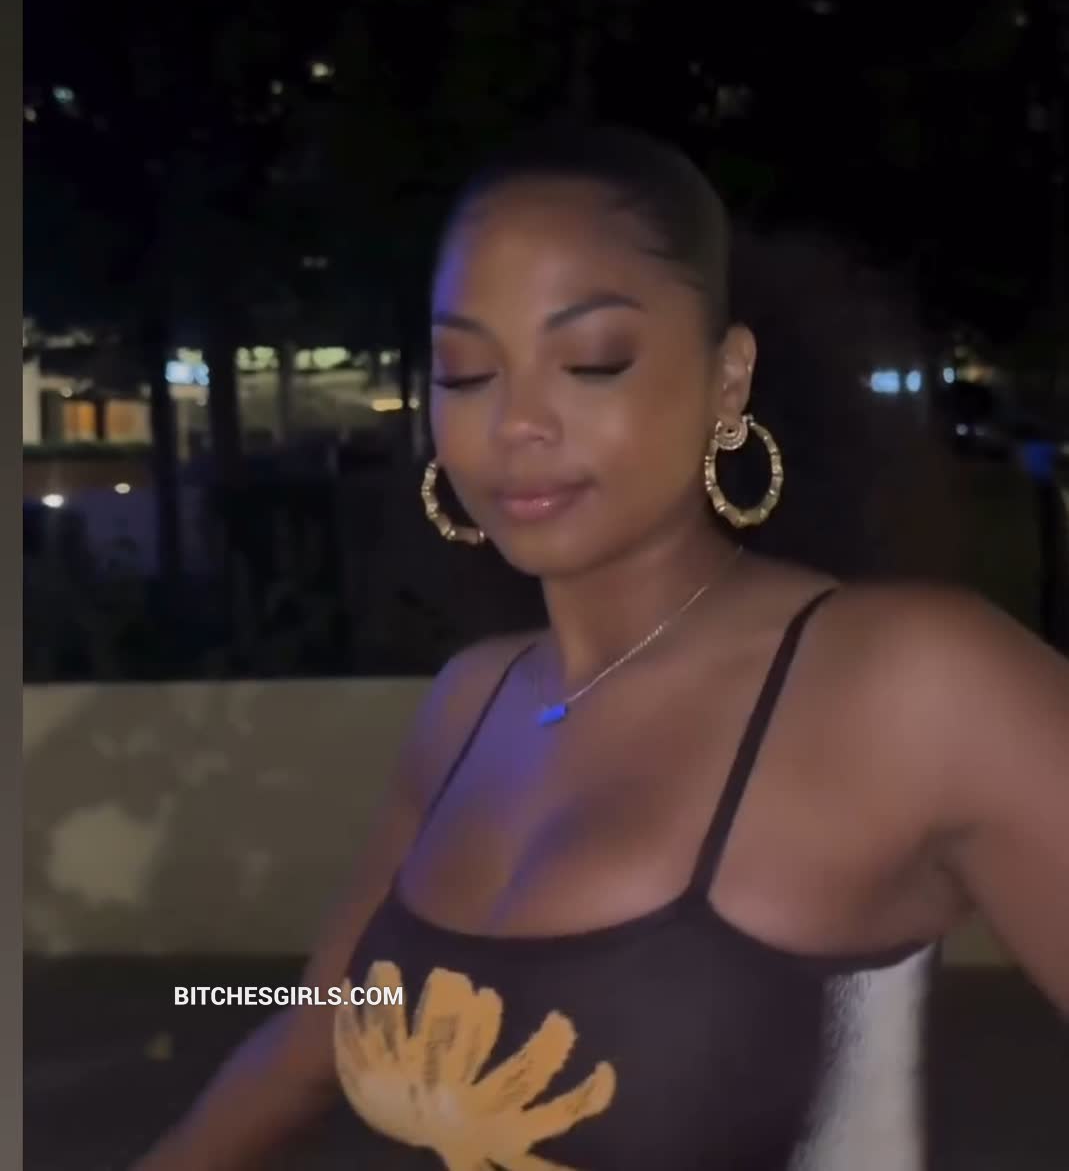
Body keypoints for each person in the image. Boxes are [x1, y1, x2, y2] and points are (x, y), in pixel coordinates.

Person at [132, 125, 1069, 1171]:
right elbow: (316, 1034)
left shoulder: (913, 683)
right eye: (466, 372)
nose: (516, 422)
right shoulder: (469, 702)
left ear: (727, 380)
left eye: (591, 362)